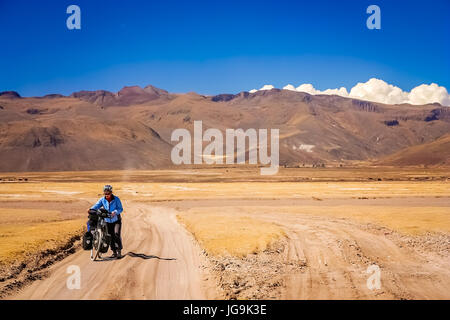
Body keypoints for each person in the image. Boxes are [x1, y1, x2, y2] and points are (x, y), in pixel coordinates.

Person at [88, 185, 124, 258]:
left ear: (111, 192)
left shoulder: (116, 199)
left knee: (116, 234)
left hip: (116, 220)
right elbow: (96, 205)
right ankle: (114, 252)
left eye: (108, 193)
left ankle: (119, 251)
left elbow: (120, 209)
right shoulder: (102, 200)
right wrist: (90, 209)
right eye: (105, 193)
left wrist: (115, 212)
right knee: (110, 236)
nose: (107, 195)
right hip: (107, 221)